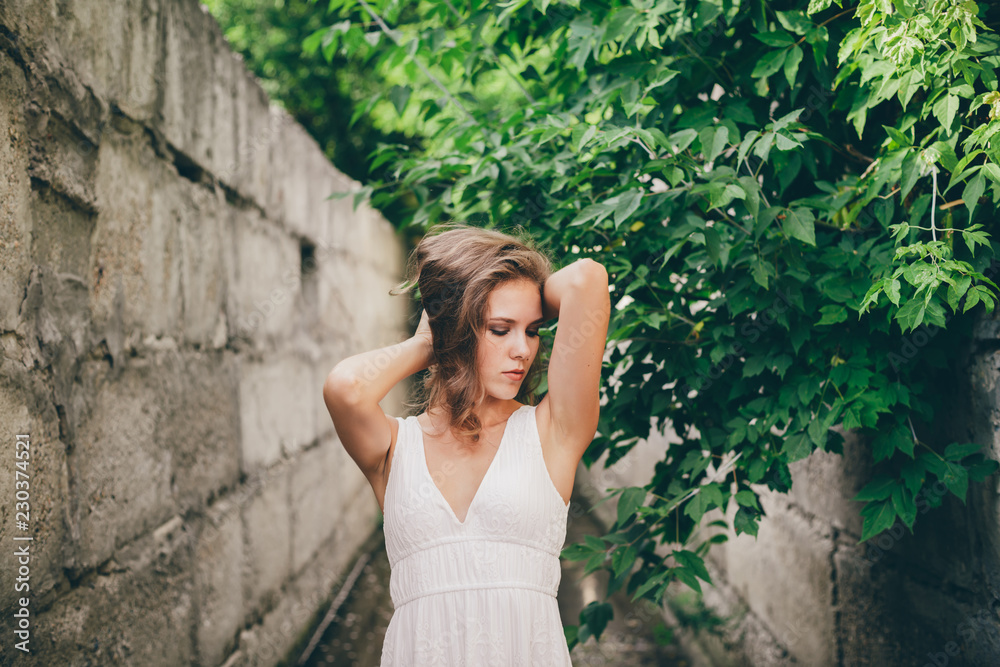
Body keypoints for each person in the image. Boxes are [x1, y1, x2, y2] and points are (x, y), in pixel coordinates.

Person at [322, 222, 611, 665]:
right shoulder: (396, 448)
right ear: (456, 331)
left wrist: (515, 290)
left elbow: (586, 279)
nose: (523, 350)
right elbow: (345, 387)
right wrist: (427, 340)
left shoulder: (551, 432)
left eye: (533, 330)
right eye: (500, 329)